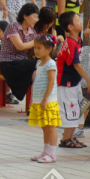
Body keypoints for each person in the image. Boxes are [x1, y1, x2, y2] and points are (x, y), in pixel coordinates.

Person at [57, 11, 90, 149]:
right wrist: (88, 81)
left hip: (74, 82)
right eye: (77, 20)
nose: (80, 22)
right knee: (70, 109)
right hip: (67, 83)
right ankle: (66, 139)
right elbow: (76, 64)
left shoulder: (76, 40)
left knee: (76, 110)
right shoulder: (70, 43)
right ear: (70, 27)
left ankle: (70, 137)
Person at [28, 35, 61, 163]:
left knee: (50, 126)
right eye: (35, 47)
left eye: (39, 48)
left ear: (49, 49)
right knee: (44, 126)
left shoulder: (50, 64)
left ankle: (52, 153)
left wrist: (45, 98)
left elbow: (52, 82)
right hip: (39, 100)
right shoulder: (38, 62)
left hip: (48, 101)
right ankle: (46, 151)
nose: (36, 50)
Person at [0, 3, 40, 102]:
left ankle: (33, 104)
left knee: (39, 70)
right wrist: (37, 41)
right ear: (25, 16)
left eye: (37, 18)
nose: (36, 20)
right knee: (40, 64)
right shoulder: (12, 27)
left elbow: (33, 51)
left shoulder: (32, 32)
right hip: (8, 63)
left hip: (22, 64)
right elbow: (20, 46)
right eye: (34, 17)